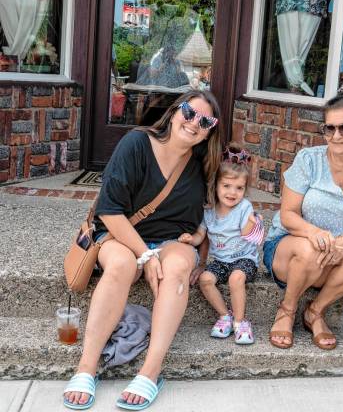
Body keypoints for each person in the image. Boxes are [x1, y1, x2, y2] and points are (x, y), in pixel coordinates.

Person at [63, 90, 221, 410]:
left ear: (210, 131)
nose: (193, 123)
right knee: (121, 265)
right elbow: (109, 211)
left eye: (205, 121)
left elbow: (216, 208)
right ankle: (86, 367)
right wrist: (145, 256)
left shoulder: (204, 162)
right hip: (122, 234)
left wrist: (201, 243)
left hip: (172, 241)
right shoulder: (136, 143)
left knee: (177, 268)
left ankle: (150, 372)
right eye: (189, 112)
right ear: (175, 111)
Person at [263, 89, 343, 350]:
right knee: (311, 247)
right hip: (291, 252)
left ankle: (315, 311)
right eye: (329, 128)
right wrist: (315, 233)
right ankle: (286, 309)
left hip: (338, 256)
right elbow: (287, 215)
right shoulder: (308, 160)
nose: (335, 136)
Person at [178, 144, 263, 345]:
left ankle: (241, 321)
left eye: (239, 188)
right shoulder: (209, 210)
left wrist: (252, 222)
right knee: (205, 279)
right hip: (222, 260)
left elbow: (245, 233)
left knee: (235, 279)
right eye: (227, 186)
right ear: (216, 185)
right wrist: (191, 240)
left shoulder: (244, 207)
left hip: (244, 259)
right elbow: (201, 234)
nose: (233, 192)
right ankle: (226, 315)